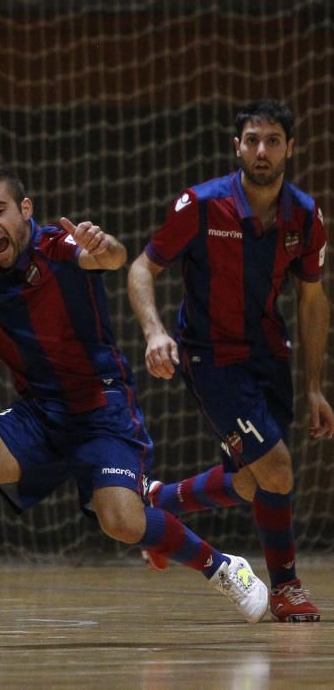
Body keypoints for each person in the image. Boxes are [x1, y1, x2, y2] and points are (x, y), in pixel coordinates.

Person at [0, 164, 270, 644]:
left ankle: (220, 566)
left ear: (24, 210)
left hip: (102, 408)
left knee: (121, 522)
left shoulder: (59, 246)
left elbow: (110, 257)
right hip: (40, 412)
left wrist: (103, 245)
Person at [127, 98, 332, 623]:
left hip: (269, 354)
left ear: (290, 147)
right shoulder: (200, 204)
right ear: (236, 147)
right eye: (252, 140)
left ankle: (161, 500)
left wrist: (313, 387)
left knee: (253, 479)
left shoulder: (305, 216)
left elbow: (312, 298)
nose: (261, 151)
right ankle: (285, 588)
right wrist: (154, 334)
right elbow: (141, 268)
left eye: (272, 141)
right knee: (278, 468)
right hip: (210, 357)